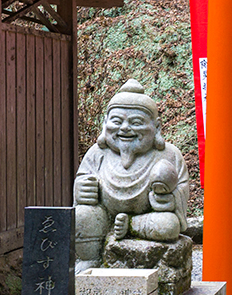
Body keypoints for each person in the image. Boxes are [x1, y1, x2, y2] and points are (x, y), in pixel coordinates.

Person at [73, 79, 189, 272]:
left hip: (147, 217)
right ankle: (90, 258)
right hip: (103, 215)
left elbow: (182, 187)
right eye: (117, 121)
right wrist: (82, 189)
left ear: (156, 128)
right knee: (82, 214)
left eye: (136, 122)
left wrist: (171, 199)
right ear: (105, 125)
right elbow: (82, 179)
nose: (125, 128)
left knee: (169, 225)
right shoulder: (97, 153)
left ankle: (132, 226)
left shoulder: (169, 154)